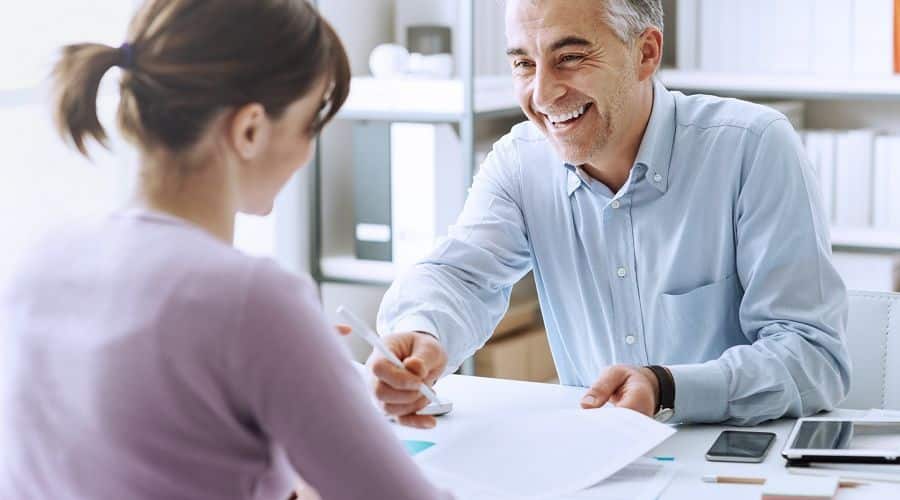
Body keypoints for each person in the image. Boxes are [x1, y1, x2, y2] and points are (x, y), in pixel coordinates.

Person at [0, 1, 449, 499]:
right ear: (250, 130)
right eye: (309, 124)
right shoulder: (252, 299)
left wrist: (303, 387)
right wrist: (294, 353)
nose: (309, 151)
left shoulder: (38, 262)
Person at [370, 0, 850, 429]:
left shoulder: (752, 147)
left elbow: (813, 357)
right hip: (599, 461)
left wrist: (668, 388)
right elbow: (458, 276)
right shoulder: (520, 162)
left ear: (646, 53)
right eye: (524, 64)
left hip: (730, 462)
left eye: (570, 58)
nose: (542, 95)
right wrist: (422, 331)